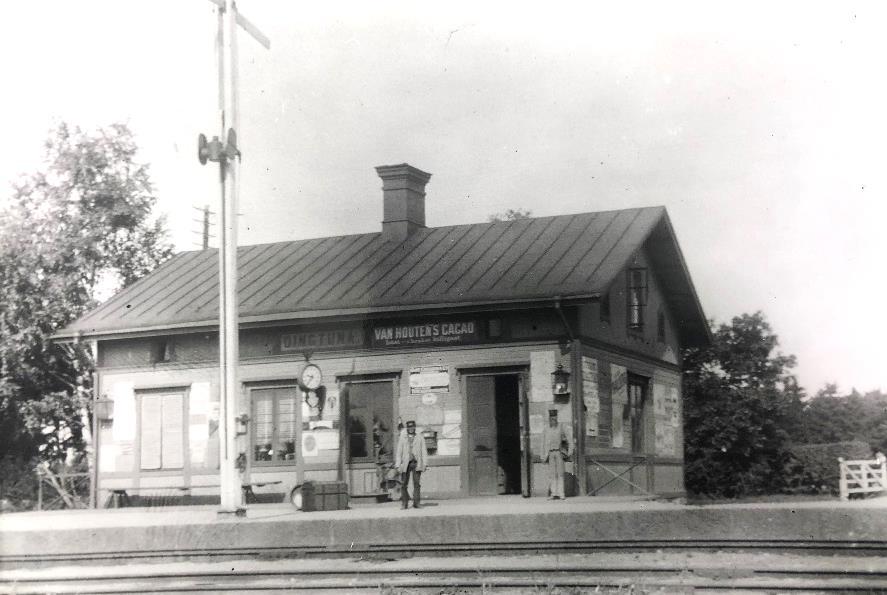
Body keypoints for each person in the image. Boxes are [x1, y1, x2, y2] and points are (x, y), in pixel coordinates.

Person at [395, 420, 427, 509]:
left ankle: (416, 503)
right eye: (409, 427)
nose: (411, 429)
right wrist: (398, 464)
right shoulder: (402, 437)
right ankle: (404, 503)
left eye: (412, 427)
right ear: (407, 428)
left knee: (417, 483)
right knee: (404, 484)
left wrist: (425, 463)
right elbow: (399, 452)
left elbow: (424, 450)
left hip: (416, 463)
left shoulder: (420, 437)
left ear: (415, 427)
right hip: (405, 463)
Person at [541, 409, 571, 499]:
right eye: (551, 418)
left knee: (560, 473)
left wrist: (569, 451)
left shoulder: (561, 427)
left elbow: (569, 439)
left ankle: (561, 493)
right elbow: (542, 442)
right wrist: (542, 454)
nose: (553, 419)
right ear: (549, 418)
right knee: (552, 474)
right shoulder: (546, 428)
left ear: (557, 417)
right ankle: (554, 493)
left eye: (555, 417)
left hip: (559, 452)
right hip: (550, 453)